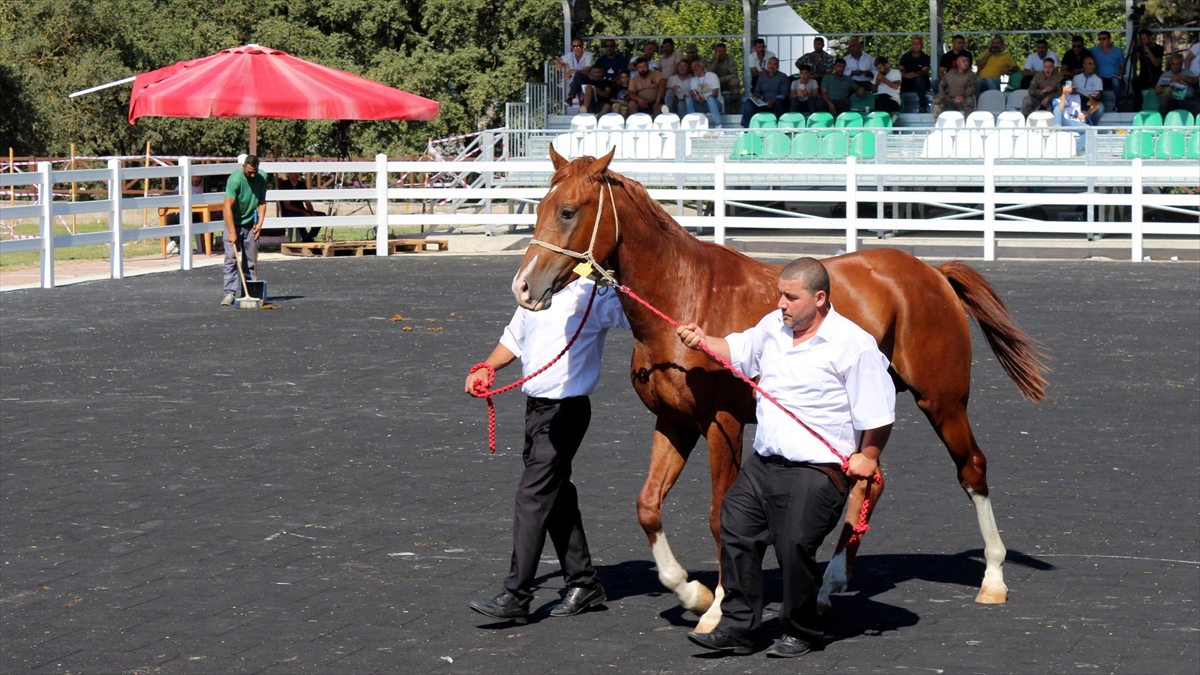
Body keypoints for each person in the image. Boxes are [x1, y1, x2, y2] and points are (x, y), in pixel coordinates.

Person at [676, 257, 894, 658]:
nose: (780, 303)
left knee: (793, 544)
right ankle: (738, 627)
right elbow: (737, 350)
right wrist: (704, 341)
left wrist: (869, 455)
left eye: (790, 297)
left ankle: (803, 631)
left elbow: (878, 413)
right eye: (780, 294)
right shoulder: (773, 328)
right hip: (764, 464)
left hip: (817, 471)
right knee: (735, 526)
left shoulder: (854, 345)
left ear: (820, 298)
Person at [466, 277, 630, 625]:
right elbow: (515, 337)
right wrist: (488, 365)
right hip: (536, 410)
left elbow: (635, 315)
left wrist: (617, 283)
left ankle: (517, 595)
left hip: (566, 411)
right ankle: (584, 583)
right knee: (555, 496)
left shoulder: (593, 295)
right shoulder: (536, 289)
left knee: (533, 496)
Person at [220, 155, 268, 307]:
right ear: (244, 167)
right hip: (232, 221)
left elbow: (261, 201)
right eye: (249, 172)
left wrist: (260, 222)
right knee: (231, 258)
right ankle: (229, 293)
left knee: (251, 258)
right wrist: (232, 231)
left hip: (250, 224)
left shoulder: (262, 177)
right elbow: (226, 207)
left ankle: (249, 291)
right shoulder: (235, 180)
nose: (252, 175)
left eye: (255, 171)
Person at [167, 174, 209, 255]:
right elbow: (176, 198)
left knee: (188, 217)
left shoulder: (204, 187)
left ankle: (175, 242)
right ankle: (177, 243)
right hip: (181, 211)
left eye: (199, 176)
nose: (197, 178)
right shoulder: (182, 186)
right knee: (170, 218)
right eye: (195, 176)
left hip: (196, 213)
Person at [741, 57, 788, 127]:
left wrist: (773, 101)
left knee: (779, 103)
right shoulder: (762, 78)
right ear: (767, 65)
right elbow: (757, 92)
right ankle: (746, 127)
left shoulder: (783, 77)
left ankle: (780, 127)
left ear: (778, 67)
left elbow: (784, 94)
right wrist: (756, 96)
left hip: (776, 103)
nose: (771, 66)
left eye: (774, 64)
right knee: (748, 102)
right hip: (764, 104)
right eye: (770, 64)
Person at [277, 172, 323, 243]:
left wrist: (312, 212)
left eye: (299, 173)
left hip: (302, 211)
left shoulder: (302, 185)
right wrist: (303, 212)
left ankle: (310, 236)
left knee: (322, 215)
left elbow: (307, 203)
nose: (297, 174)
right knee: (299, 215)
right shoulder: (284, 185)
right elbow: (287, 205)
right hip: (288, 212)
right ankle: (305, 236)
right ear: (289, 173)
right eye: (294, 172)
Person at [1052, 81, 1096, 155]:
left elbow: (1096, 105)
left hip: (1075, 122)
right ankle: (1058, 130)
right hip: (1064, 121)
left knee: (1090, 130)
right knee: (1057, 108)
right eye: (1068, 84)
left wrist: (1085, 114)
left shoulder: (1078, 97)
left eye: (1072, 85)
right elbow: (1059, 110)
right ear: (1063, 87)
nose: (1071, 86)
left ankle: (1074, 149)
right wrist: (1064, 95)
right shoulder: (1057, 100)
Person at [933, 54, 977, 118]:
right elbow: (941, 84)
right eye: (964, 61)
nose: (966, 63)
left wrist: (962, 96)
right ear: (957, 62)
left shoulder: (971, 74)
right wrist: (943, 94)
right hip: (950, 100)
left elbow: (972, 87)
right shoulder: (950, 74)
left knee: (970, 100)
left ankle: (967, 125)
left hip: (963, 100)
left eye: (968, 61)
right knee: (937, 99)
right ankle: (936, 125)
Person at [553, 39, 593, 105]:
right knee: (577, 82)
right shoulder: (570, 55)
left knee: (578, 76)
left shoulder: (589, 55)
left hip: (587, 81)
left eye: (579, 46)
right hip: (575, 83)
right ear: (572, 47)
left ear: (582, 46)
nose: (576, 48)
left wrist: (572, 71)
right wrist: (558, 63)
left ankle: (570, 98)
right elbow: (557, 60)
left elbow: (587, 72)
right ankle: (579, 106)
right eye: (574, 46)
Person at [1090, 31, 1125, 102]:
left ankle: (1120, 104)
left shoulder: (1118, 51)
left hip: (1114, 76)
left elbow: (1123, 66)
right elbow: (1082, 51)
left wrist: (1121, 72)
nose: (1102, 41)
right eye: (1100, 39)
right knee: (1098, 82)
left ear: (1109, 39)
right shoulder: (1095, 50)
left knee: (1115, 81)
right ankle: (1097, 105)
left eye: (1104, 38)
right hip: (1101, 77)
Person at [899, 36, 931, 113]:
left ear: (922, 45)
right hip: (907, 81)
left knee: (919, 79)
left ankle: (922, 105)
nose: (916, 45)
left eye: (918, 43)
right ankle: (897, 104)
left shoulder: (925, 57)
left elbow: (925, 71)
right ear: (911, 45)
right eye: (914, 43)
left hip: (920, 81)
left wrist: (914, 73)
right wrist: (903, 74)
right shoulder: (906, 56)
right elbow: (900, 68)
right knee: (897, 79)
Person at [688, 59, 723, 128]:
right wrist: (697, 98)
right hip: (702, 104)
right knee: (688, 99)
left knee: (710, 99)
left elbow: (715, 94)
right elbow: (694, 93)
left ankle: (718, 124)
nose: (694, 69)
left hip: (716, 104)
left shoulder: (712, 76)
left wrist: (705, 99)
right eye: (692, 68)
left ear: (702, 66)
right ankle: (692, 124)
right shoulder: (693, 80)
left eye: (696, 66)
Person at [1072, 56, 1105, 123]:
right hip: (1078, 100)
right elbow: (1072, 91)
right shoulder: (1076, 77)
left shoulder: (1098, 79)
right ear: (1084, 65)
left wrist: (1094, 96)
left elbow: (1099, 94)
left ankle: (1091, 125)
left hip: (1090, 101)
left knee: (1100, 106)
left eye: (1093, 64)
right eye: (1089, 64)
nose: (1092, 66)